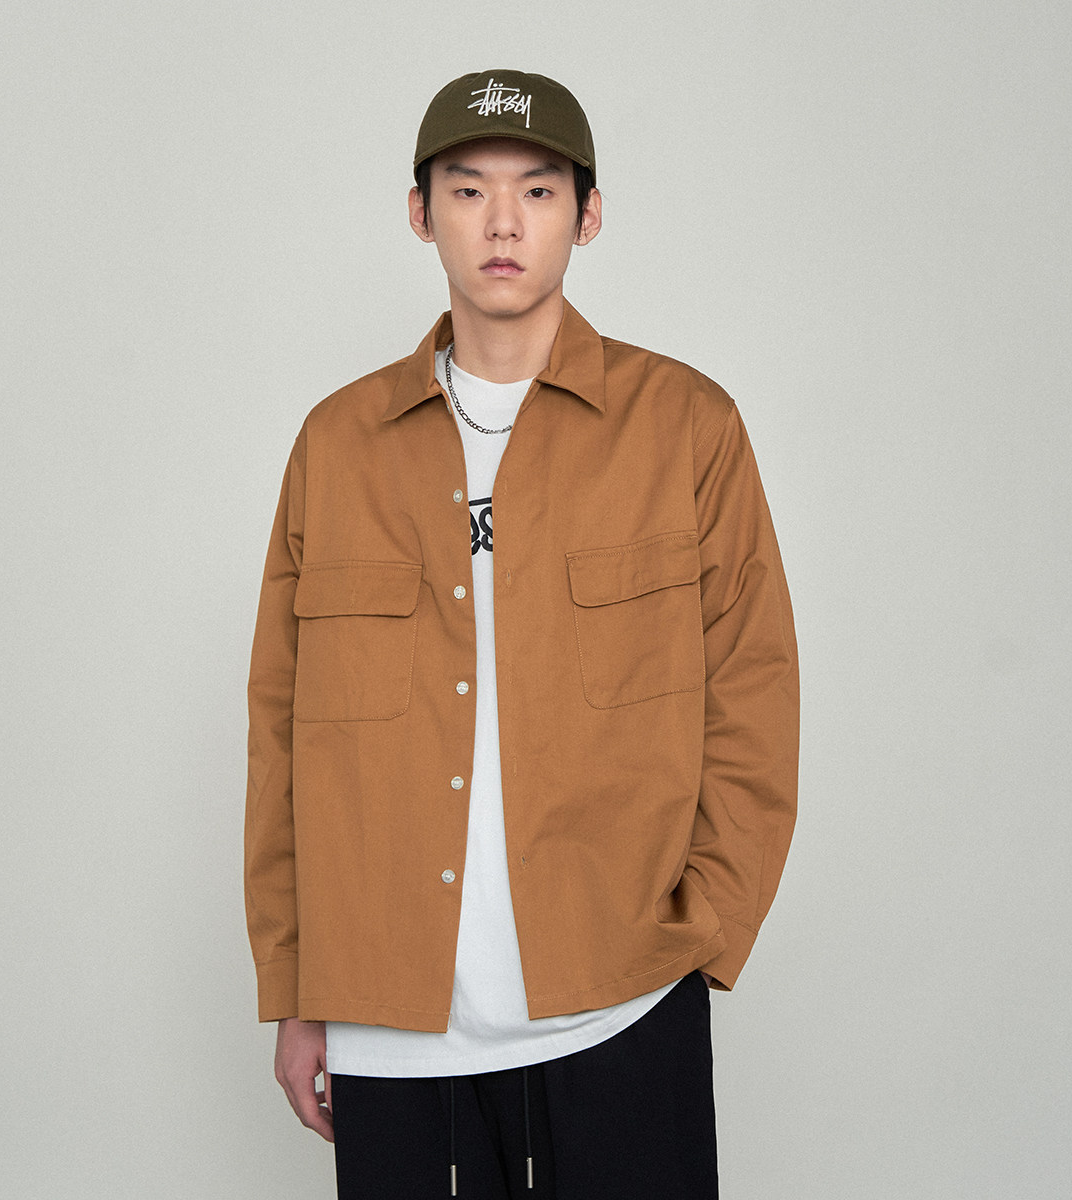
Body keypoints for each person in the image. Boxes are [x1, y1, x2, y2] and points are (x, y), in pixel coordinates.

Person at [244, 69, 799, 1199]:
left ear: (587, 216)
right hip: (389, 1027)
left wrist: (701, 932)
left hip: (621, 1002)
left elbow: (753, 691)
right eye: (468, 190)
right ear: (421, 212)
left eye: (539, 191)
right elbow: (282, 732)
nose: (503, 223)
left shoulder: (686, 427)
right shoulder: (337, 446)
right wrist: (297, 989)